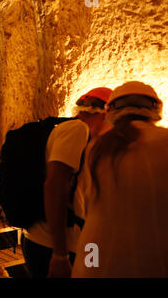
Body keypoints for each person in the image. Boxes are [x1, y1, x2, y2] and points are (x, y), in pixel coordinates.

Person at [72, 81, 168, 277]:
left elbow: (88, 205)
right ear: (156, 107)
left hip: (94, 256)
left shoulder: (96, 147)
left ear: (110, 111)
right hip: (149, 257)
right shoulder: (164, 141)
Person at [21, 87, 113, 278]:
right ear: (105, 114)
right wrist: (60, 255)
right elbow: (55, 185)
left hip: (74, 242)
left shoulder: (83, 137)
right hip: (53, 245)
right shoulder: (77, 130)